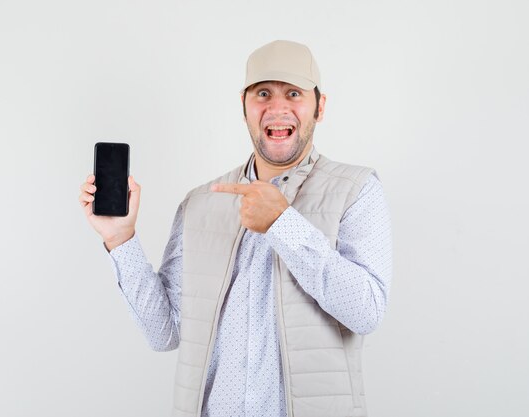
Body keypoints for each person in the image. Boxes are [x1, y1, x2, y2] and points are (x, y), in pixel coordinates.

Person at [79, 40, 392, 417]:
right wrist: (120, 239)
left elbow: (366, 312)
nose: (277, 108)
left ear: (319, 107)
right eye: (263, 93)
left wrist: (282, 224)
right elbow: (165, 332)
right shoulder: (200, 204)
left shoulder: (356, 189)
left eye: (293, 93)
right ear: (243, 108)